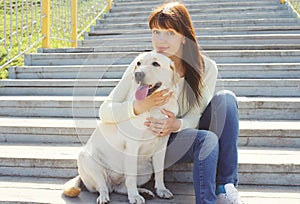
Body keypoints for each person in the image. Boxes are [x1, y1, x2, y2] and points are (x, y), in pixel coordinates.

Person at [99, 2, 244, 204]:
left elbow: (197, 113)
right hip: (152, 142)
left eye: (169, 33)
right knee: (207, 139)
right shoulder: (142, 65)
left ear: (184, 37)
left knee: (226, 100)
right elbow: (105, 110)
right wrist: (138, 107)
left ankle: (225, 187)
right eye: (156, 32)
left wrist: (177, 124)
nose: (160, 40)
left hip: (184, 134)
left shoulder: (206, 67)